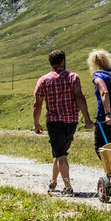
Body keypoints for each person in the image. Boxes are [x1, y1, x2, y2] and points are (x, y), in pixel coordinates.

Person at [33, 49, 92, 196]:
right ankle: (53, 182)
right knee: (60, 153)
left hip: (53, 121)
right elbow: (80, 98)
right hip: (71, 121)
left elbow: (37, 104)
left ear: (50, 63)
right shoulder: (73, 77)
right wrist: (87, 119)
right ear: (63, 61)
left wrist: (36, 123)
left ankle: (68, 187)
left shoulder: (43, 80)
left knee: (60, 154)